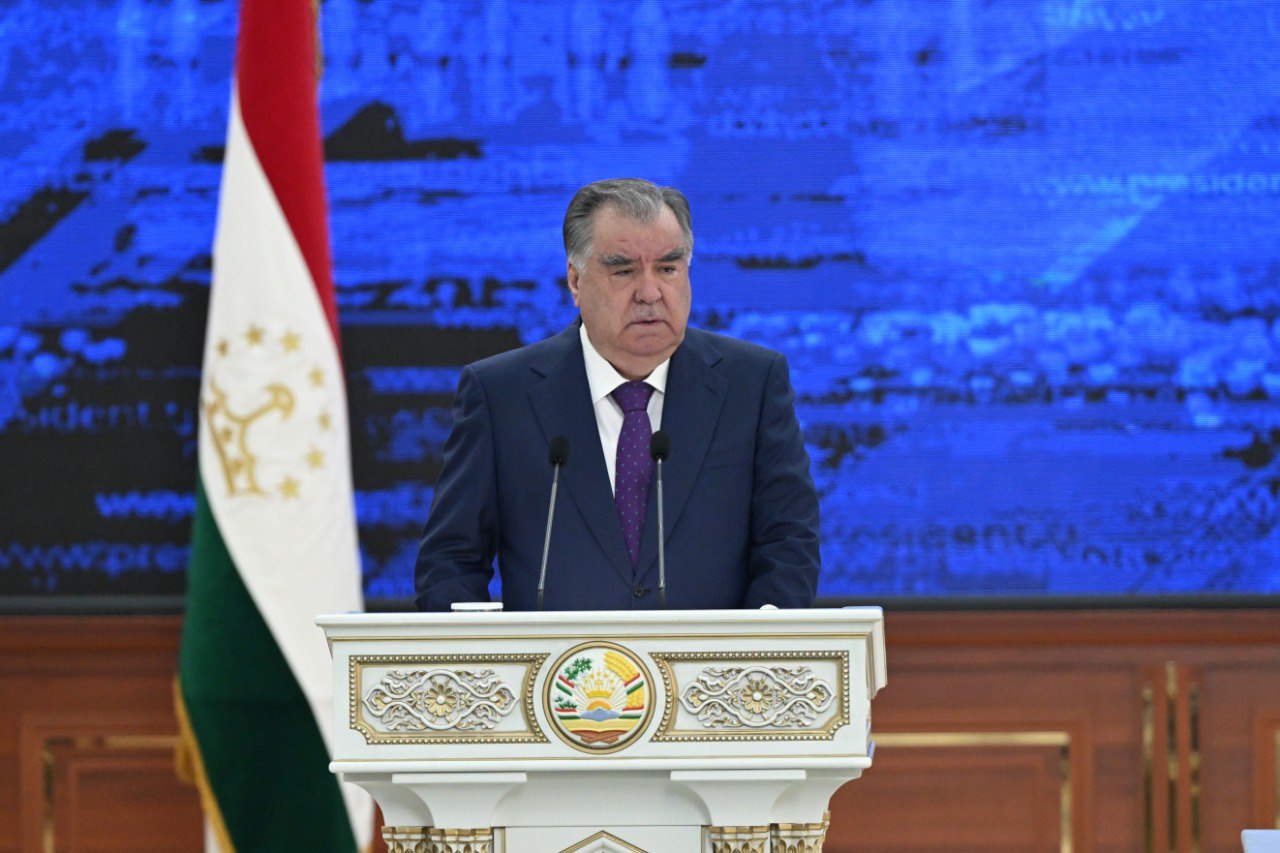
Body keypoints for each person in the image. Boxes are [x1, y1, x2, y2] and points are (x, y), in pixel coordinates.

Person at [414, 178, 820, 611]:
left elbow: (788, 544)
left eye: (668, 268)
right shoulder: (501, 395)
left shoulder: (752, 384)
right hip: (559, 657)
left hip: (712, 658)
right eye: (624, 270)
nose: (650, 293)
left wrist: (756, 646)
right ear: (575, 281)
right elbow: (450, 563)